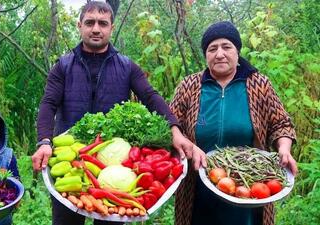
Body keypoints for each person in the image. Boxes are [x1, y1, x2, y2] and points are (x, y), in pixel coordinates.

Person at [31, 1, 194, 225]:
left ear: (111, 27)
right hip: (71, 157)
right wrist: (44, 141)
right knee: (65, 221)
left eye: (102, 23)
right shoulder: (63, 65)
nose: (96, 28)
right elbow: (48, 104)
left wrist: (174, 129)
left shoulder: (127, 66)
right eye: (89, 23)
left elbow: (150, 96)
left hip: (113, 163)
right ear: (80, 26)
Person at [169, 21, 298, 225]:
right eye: (212, 49)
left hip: (250, 188)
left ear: (237, 51)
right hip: (197, 190)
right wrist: (182, 141)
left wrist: (284, 147)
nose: (220, 54)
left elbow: (281, 124)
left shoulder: (258, 84)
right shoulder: (189, 86)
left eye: (226, 47)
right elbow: (171, 124)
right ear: (206, 55)